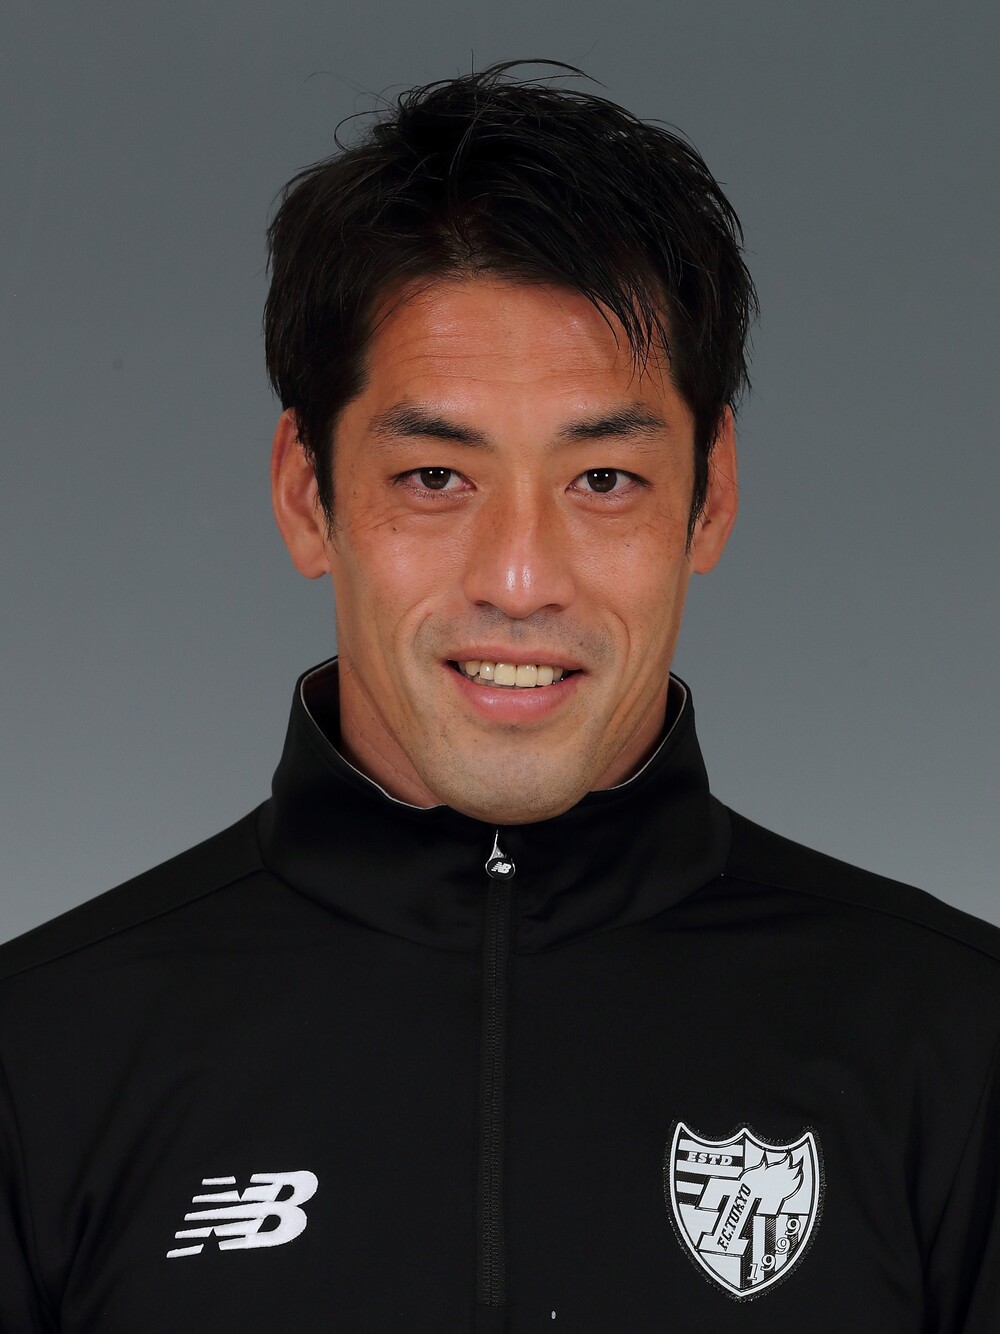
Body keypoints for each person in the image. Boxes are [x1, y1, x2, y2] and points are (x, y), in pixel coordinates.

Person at [0, 57, 997, 1333]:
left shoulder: (958, 1047)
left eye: (602, 481)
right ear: (306, 495)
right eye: (435, 477)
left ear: (710, 497)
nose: (520, 578)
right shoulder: (40, 1060)